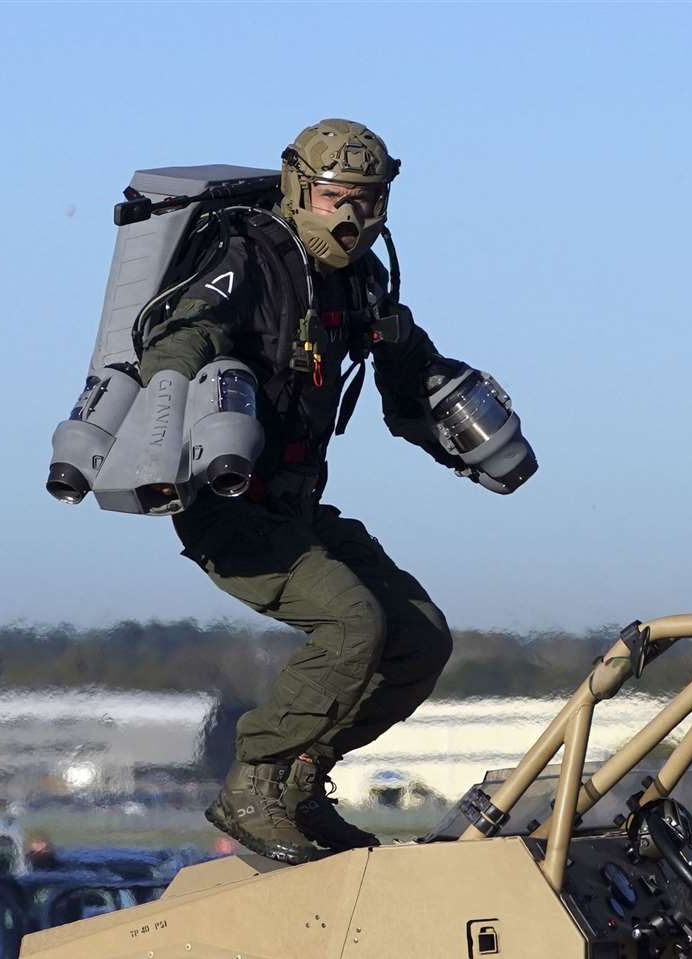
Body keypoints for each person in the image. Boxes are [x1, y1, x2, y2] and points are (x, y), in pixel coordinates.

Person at [138, 118, 536, 864]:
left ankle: (299, 781)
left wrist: (472, 436)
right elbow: (185, 331)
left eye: (367, 200)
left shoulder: (359, 283)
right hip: (227, 504)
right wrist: (164, 392)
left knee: (418, 636)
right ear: (299, 191)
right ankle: (253, 782)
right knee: (353, 623)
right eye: (334, 197)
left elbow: (409, 371)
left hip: (295, 507)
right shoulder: (248, 258)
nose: (350, 216)